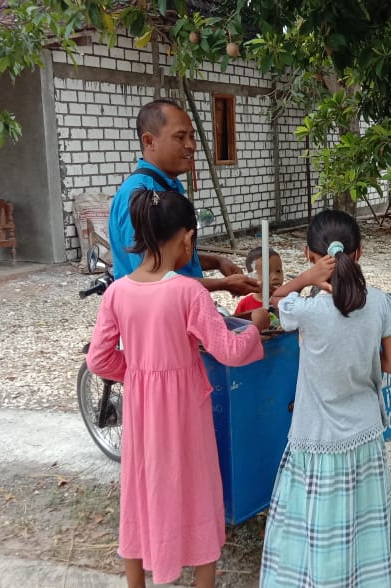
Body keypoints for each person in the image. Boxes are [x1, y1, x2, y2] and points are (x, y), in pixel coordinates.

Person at [86, 189, 267, 587]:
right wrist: (256, 326)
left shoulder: (117, 292)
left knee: (140, 492)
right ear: (187, 238)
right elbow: (228, 351)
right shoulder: (188, 293)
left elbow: (98, 360)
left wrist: (137, 375)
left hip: (142, 413)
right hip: (185, 414)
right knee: (197, 491)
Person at [259, 210, 391, 587]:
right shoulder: (382, 304)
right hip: (365, 436)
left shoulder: (305, 311)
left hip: (316, 439)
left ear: (310, 255)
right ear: (359, 253)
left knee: (317, 528)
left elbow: (275, 298)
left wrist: (306, 278)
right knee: (363, 526)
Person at [109, 99, 258, 295]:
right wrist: (224, 284)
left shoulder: (168, 185)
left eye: (192, 136)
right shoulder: (141, 197)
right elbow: (153, 281)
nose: (191, 146)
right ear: (149, 141)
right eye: (180, 137)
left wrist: (217, 261)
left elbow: (170, 254)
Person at [233, 247, 285, 326]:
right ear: (252, 277)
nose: (275, 277)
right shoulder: (245, 305)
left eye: (278, 271)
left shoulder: (288, 299)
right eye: (267, 273)